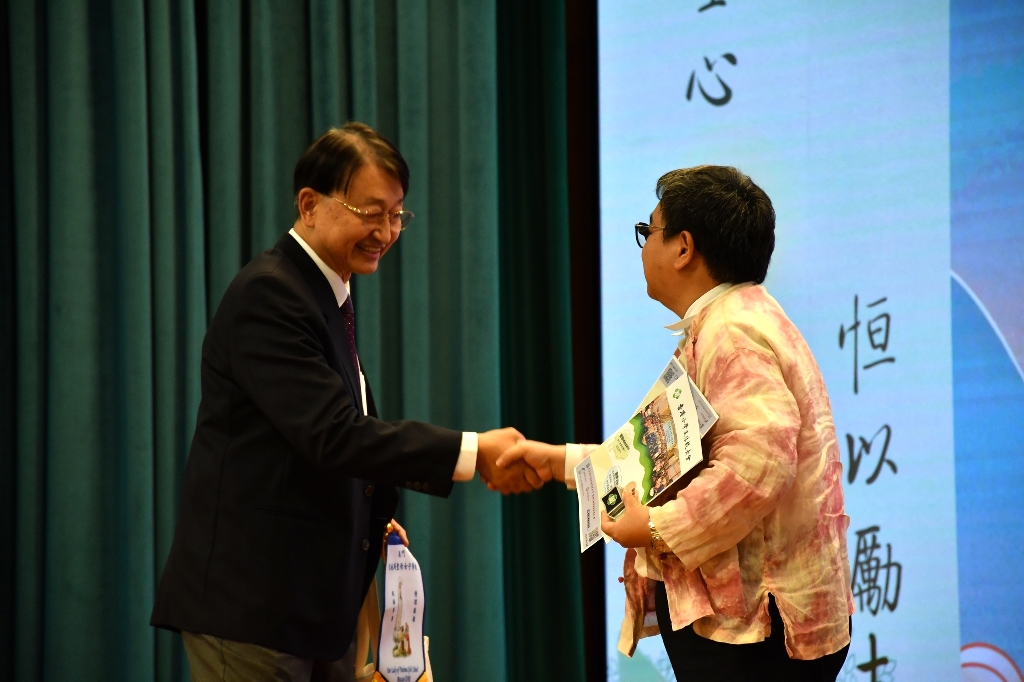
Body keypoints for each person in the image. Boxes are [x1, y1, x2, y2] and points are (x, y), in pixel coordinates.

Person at [151, 123, 540, 682]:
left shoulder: (324, 291)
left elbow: (310, 445)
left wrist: (369, 513)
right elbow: (332, 435)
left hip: (310, 607)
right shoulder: (271, 293)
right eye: (370, 213)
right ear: (310, 204)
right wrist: (473, 452)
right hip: (254, 609)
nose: (385, 232)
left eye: (397, 215)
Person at [498, 165, 855, 681]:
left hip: (756, 637)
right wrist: (561, 463)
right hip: (756, 630)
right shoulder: (734, 319)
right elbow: (661, 461)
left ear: (684, 247)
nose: (644, 246)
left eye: (649, 231)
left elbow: (761, 461)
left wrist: (658, 527)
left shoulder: (731, 332)